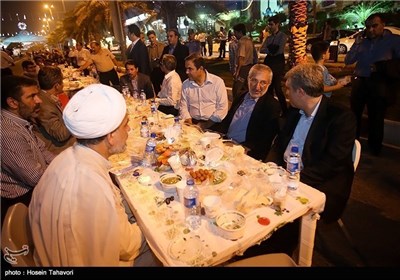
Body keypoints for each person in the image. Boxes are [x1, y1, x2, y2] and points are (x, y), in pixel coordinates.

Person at [29, 84, 161, 266]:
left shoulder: (67, 157)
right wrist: (154, 224)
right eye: (126, 125)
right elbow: (128, 246)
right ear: (111, 136)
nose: (129, 130)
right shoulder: (92, 185)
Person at [1, 75, 55, 227]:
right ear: (12, 102)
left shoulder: (19, 122)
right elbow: (34, 177)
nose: (39, 100)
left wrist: (67, 164)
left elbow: (43, 151)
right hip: (23, 200)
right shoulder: (8, 132)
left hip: (37, 187)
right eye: (32, 96)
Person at [344, 13, 400, 156]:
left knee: (376, 117)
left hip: (379, 82)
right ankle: (352, 144)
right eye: (368, 27)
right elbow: (348, 60)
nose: (370, 30)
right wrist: (356, 44)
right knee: (354, 114)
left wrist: (383, 67)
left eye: (374, 26)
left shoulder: (393, 41)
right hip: (360, 81)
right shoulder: (362, 42)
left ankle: (375, 148)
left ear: (383, 24)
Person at [210, 64, 280, 161]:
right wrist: (213, 135)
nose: (257, 87)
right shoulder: (241, 96)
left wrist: (239, 149)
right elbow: (227, 121)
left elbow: (265, 140)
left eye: (263, 82)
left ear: (269, 84)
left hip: (245, 152)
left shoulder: (272, 106)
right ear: (248, 79)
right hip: (225, 143)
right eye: (254, 80)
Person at [179, 53, 228, 130]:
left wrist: (205, 125)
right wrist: (188, 121)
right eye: (186, 69)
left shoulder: (217, 82)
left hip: (213, 124)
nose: (187, 72)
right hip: (192, 123)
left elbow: (222, 108)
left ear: (201, 69)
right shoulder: (186, 84)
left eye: (190, 69)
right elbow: (183, 106)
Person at [34, 66, 76, 154]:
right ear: (56, 86)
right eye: (62, 82)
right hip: (58, 148)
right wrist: (74, 113)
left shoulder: (45, 96)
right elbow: (61, 135)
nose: (63, 85)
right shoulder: (45, 106)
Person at [260, 15, 288, 116]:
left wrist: (270, 50)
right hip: (269, 62)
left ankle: (285, 111)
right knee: (269, 87)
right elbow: (262, 49)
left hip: (277, 63)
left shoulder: (282, 36)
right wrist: (271, 49)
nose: (270, 27)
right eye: (269, 24)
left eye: (271, 24)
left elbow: (279, 51)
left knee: (277, 87)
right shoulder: (269, 37)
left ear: (277, 24)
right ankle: (271, 109)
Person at [232, 23, 257, 102]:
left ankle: (237, 105)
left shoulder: (242, 42)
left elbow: (241, 57)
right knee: (247, 88)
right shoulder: (250, 40)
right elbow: (255, 56)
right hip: (250, 67)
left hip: (243, 68)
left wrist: (237, 71)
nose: (234, 35)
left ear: (240, 32)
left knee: (236, 89)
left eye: (235, 32)